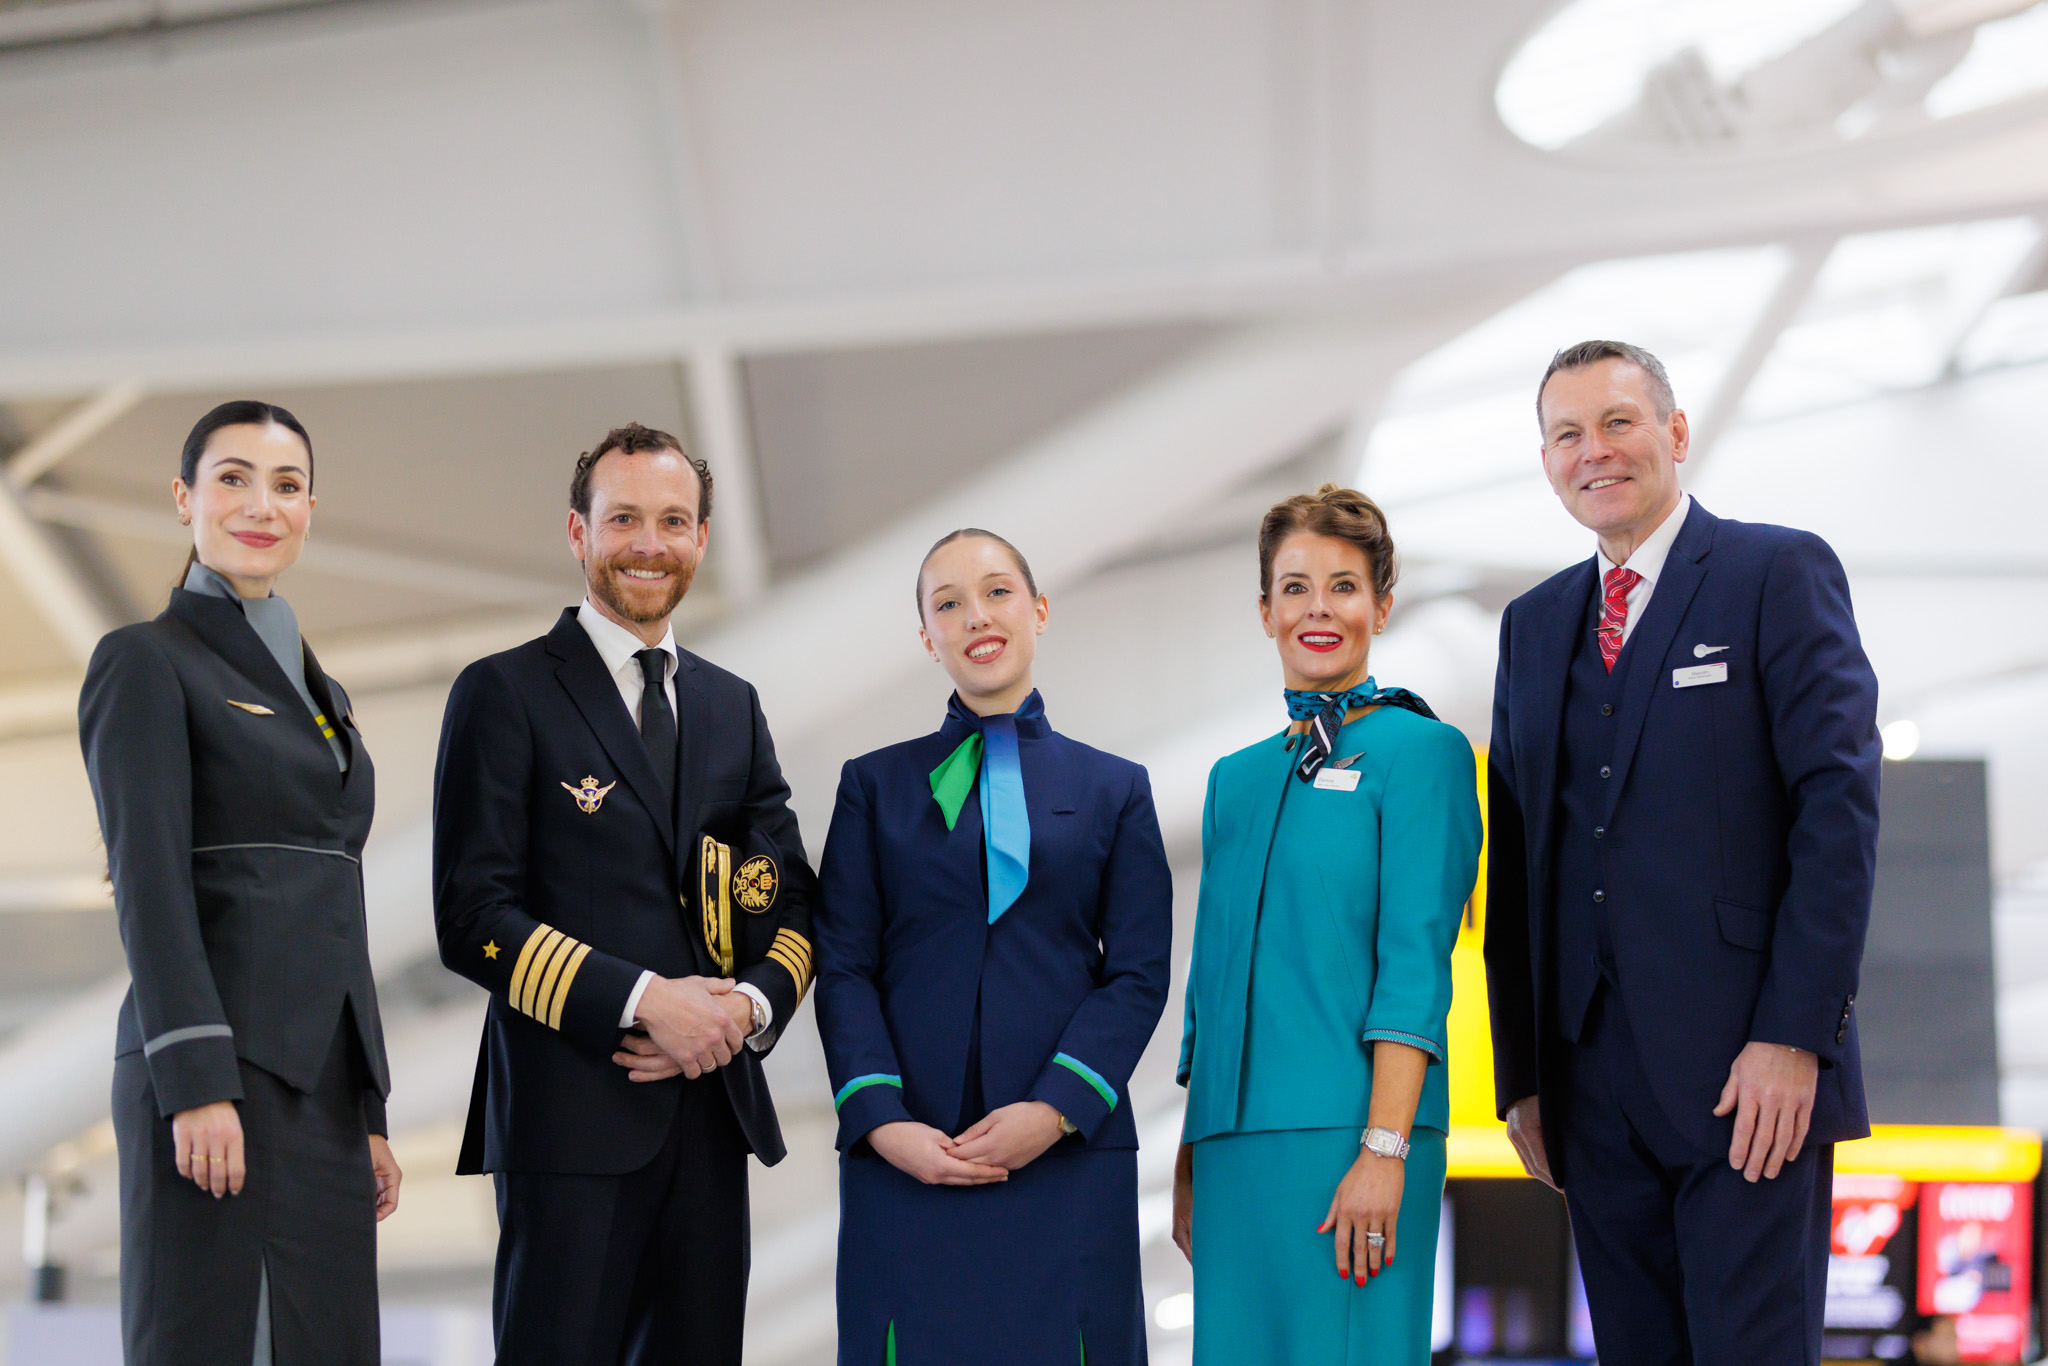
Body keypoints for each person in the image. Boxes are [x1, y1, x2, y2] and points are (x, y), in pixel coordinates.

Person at [1484, 340, 1881, 1364]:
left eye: (1617, 422)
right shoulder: (1530, 626)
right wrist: (1520, 1074)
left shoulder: (1772, 571)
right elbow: (1520, 853)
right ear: (1544, 460)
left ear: (1672, 433)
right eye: (1566, 434)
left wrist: (1795, 1034)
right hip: (1588, 1086)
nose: (1594, 452)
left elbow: (1834, 809)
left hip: (1747, 1074)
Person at [432, 422, 817, 1365]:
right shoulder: (505, 692)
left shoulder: (733, 706)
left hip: (710, 1116)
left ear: (700, 539)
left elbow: (793, 901)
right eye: (625, 519)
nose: (650, 542)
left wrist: (743, 1008)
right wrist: (649, 1004)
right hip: (568, 1122)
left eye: (674, 520)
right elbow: (471, 916)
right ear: (578, 532)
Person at [79, 400, 401, 1365]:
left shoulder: (324, 698)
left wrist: (369, 1110)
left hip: (322, 1091)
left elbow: (337, 904)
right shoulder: (145, 661)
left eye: (288, 485)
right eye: (233, 478)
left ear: (311, 511)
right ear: (184, 499)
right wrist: (195, 1080)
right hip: (219, 1073)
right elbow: (148, 882)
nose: (262, 504)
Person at [814, 529, 1172, 1366]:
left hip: (1068, 1154)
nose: (977, 615)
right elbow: (844, 966)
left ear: (1039, 610)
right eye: (947, 603)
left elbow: (1137, 972)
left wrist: (1054, 1110)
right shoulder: (872, 786)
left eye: (998, 592)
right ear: (926, 637)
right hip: (907, 1156)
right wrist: (880, 1120)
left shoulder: (1115, 788)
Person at [1172, 484, 1481, 1365]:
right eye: (1296, 587)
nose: (1319, 609)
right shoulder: (1236, 777)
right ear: (1265, 610)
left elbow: (1415, 960)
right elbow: (1213, 979)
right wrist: (1195, 1148)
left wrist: (1384, 1148)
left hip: (1355, 1134)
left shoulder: (1423, 754)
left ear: (1382, 607)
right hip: (1235, 1151)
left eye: (1344, 586)